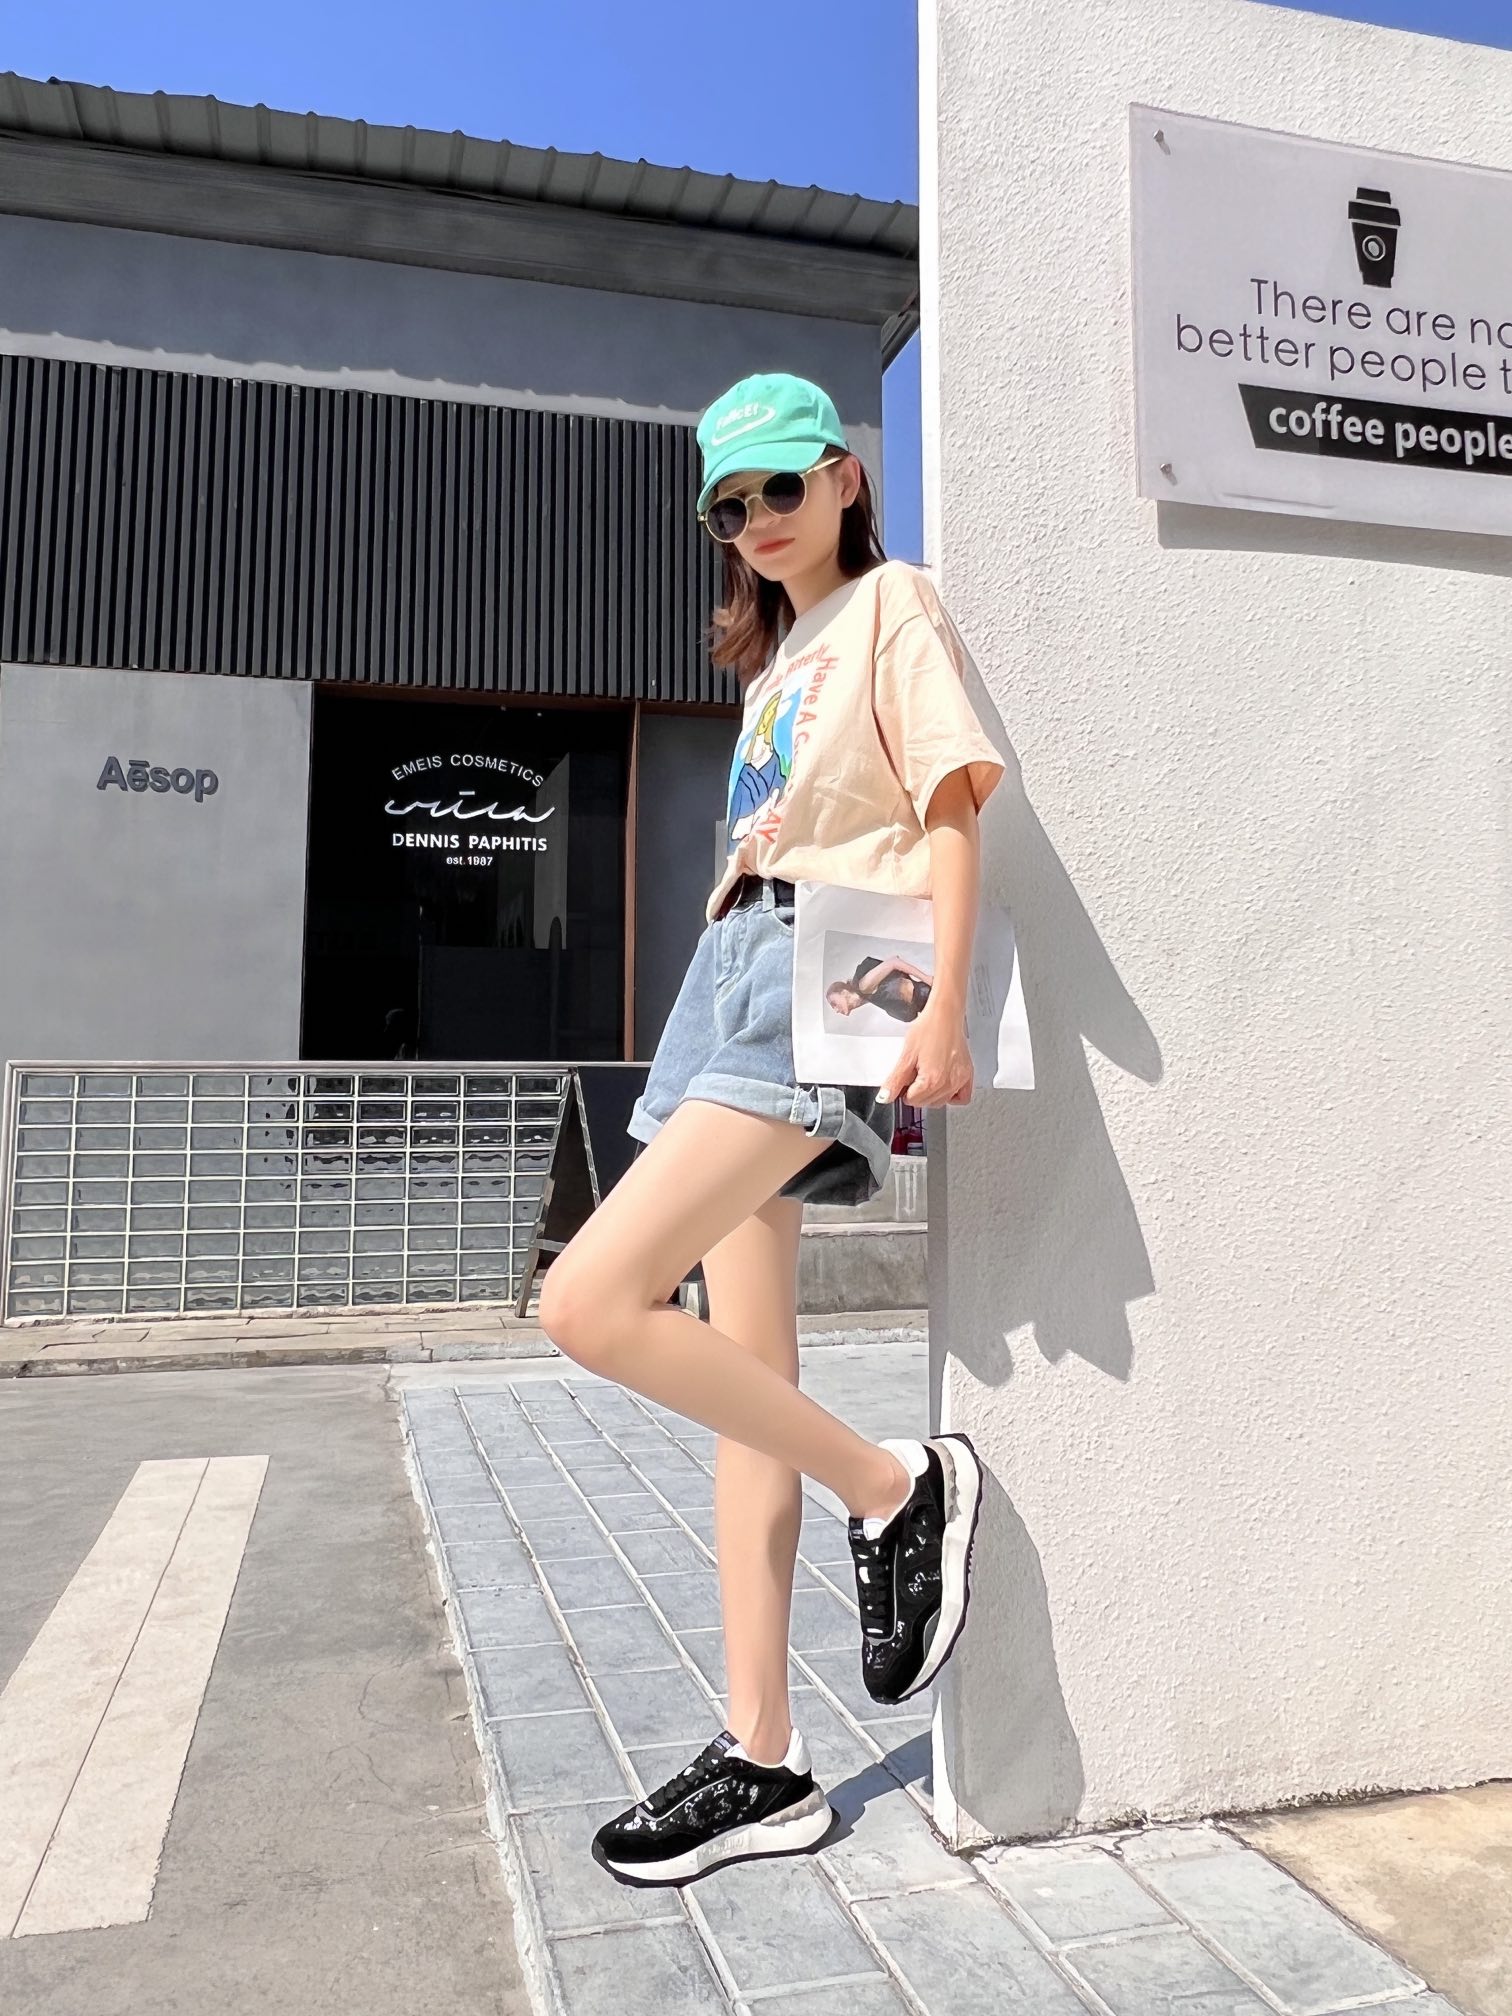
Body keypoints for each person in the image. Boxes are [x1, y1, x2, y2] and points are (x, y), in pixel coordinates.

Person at [538, 370, 1005, 1888]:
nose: (756, 522)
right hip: (733, 966)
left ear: (845, 479)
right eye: (729, 508)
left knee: (587, 1302)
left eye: (781, 489)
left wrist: (943, 1005)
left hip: (825, 972)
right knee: (750, 1385)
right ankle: (765, 1757)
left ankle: (895, 1488)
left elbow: (951, 807)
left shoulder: (892, 608)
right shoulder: (777, 660)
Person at [827, 953, 935, 1024]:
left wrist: (926, 978)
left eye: (834, 1003)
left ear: (844, 992)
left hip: (929, 996)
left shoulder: (863, 986)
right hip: (929, 1007)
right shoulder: (866, 996)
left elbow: (894, 962)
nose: (836, 1010)